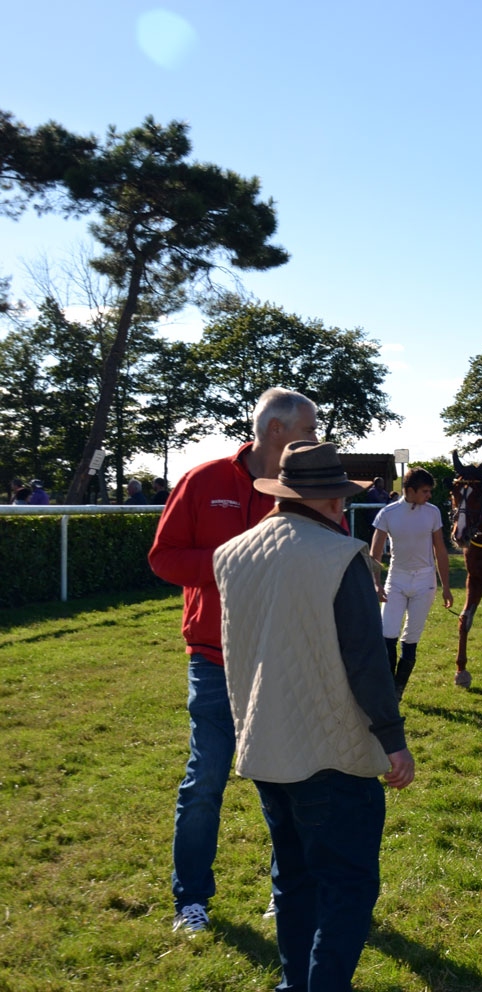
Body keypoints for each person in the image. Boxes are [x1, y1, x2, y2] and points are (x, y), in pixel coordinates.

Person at [213, 440, 413, 990]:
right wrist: (393, 740)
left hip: (264, 747)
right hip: (332, 755)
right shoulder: (340, 557)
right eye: (340, 499)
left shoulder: (232, 554)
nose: (344, 508)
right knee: (347, 887)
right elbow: (367, 660)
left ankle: (293, 983)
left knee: (293, 883)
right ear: (328, 501)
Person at [148, 387, 319, 933]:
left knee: (290, 782)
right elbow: (164, 558)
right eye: (308, 430)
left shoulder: (305, 486)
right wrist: (231, 566)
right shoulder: (204, 481)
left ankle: (285, 891)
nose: (315, 439)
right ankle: (191, 900)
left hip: (281, 655)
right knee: (206, 780)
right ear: (276, 431)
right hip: (215, 656)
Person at [369, 468, 453, 696]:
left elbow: (440, 550)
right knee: (388, 633)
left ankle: (397, 690)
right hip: (396, 579)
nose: (429, 496)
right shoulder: (388, 513)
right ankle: (388, 687)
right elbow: (375, 554)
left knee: (411, 639)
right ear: (410, 490)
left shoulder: (433, 513)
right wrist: (376, 583)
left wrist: (445, 587)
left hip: (424, 580)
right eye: (425, 491)